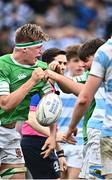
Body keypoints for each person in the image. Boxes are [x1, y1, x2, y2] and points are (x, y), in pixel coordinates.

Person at [0, 23, 57, 179]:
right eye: (38, 48)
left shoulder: (40, 68)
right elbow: (6, 104)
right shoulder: (0, 66)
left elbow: (51, 103)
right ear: (25, 49)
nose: (41, 53)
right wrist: (32, 81)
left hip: (11, 132)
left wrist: (52, 134)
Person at [66, 36, 112, 179]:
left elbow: (83, 98)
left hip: (105, 130)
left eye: (85, 60)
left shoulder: (104, 53)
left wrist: (71, 127)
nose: (83, 65)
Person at [21, 48, 68, 179]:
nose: (63, 67)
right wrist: (53, 136)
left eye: (65, 63)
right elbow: (29, 117)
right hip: (34, 142)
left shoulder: (52, 89)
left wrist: (60, 153)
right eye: (60, 63)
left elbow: (52, 126)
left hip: (44, 141)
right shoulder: (40, 87)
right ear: (48, 65)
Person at [57, 44, 85, 179]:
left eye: (82, 61)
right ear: (67, 63)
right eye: (75, 61)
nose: (80, 65)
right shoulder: (58, 84)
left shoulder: (89, 84)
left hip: (78, 142)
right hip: (59, 141)